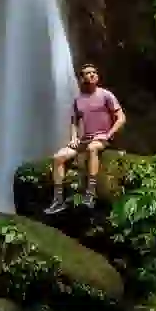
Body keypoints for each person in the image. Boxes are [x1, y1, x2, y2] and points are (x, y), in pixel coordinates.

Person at [46, 63, 125, 214]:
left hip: (102, 138)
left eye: (94, 72)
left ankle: (90, 192)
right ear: (81, 79)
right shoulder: (79, 100)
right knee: (58, 157)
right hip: (85, 139)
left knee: (92, 148)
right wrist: (74, 137)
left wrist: (110, 133)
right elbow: (74, 121)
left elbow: (121, 118)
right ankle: (58, 200)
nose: (93, 75)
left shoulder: (105, 95)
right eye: (88, 73)